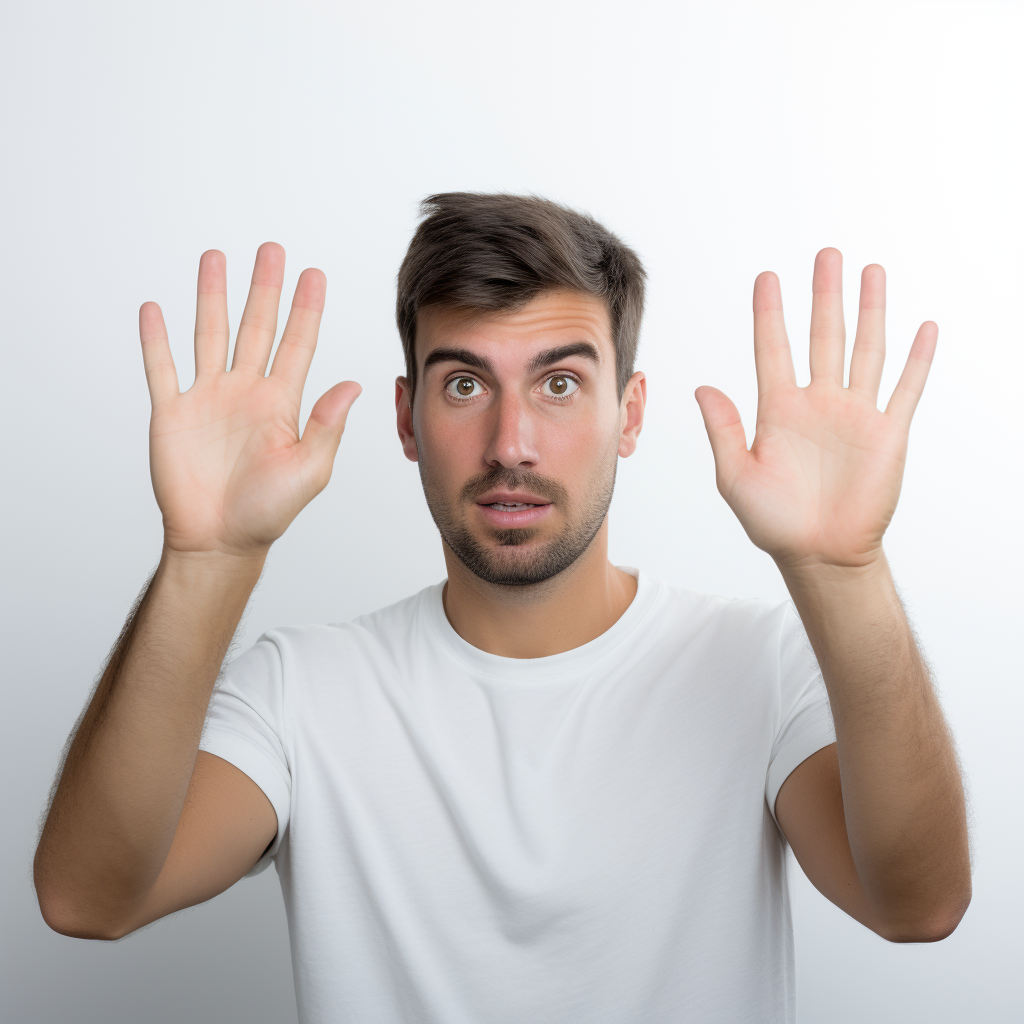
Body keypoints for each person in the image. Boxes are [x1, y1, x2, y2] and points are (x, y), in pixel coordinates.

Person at [34, 193, 972, 1023]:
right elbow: (89, 899)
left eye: (559, 383)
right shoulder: (300, 692)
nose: (510, 443)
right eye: (465, 384)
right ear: (407, 419)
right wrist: (207, 559)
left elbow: (918, 906)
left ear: (629, 413)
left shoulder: (758, 665)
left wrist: (845, 571)